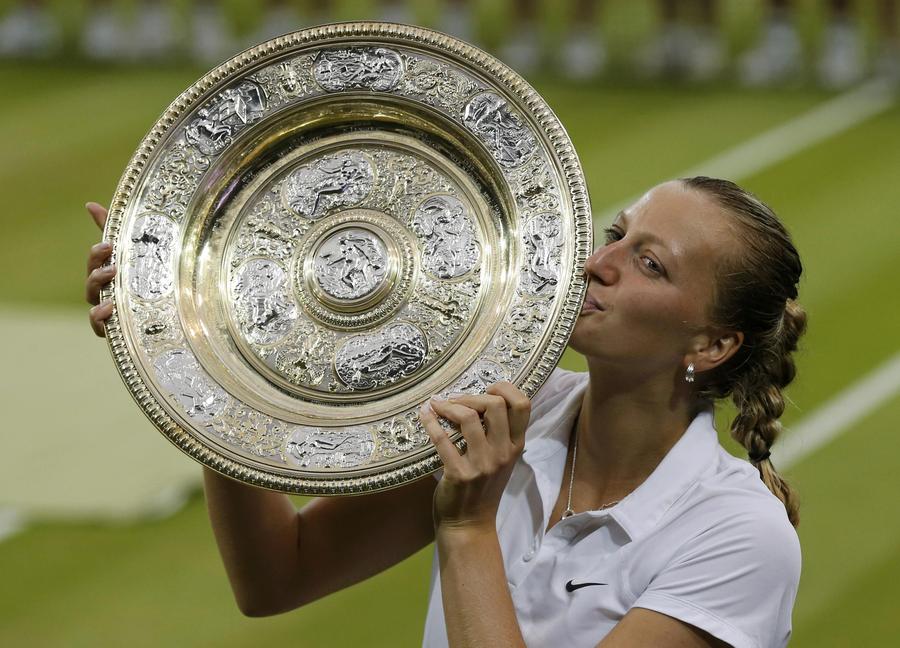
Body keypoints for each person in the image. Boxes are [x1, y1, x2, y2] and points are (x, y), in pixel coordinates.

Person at [84, 174, 804, 646]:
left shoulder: (740, 537)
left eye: (650, 263)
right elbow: (278, 575)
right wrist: (204, 356)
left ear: (712, 344)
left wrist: (466, 527)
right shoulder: (507, 412)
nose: (598, 262)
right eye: (617, 233)